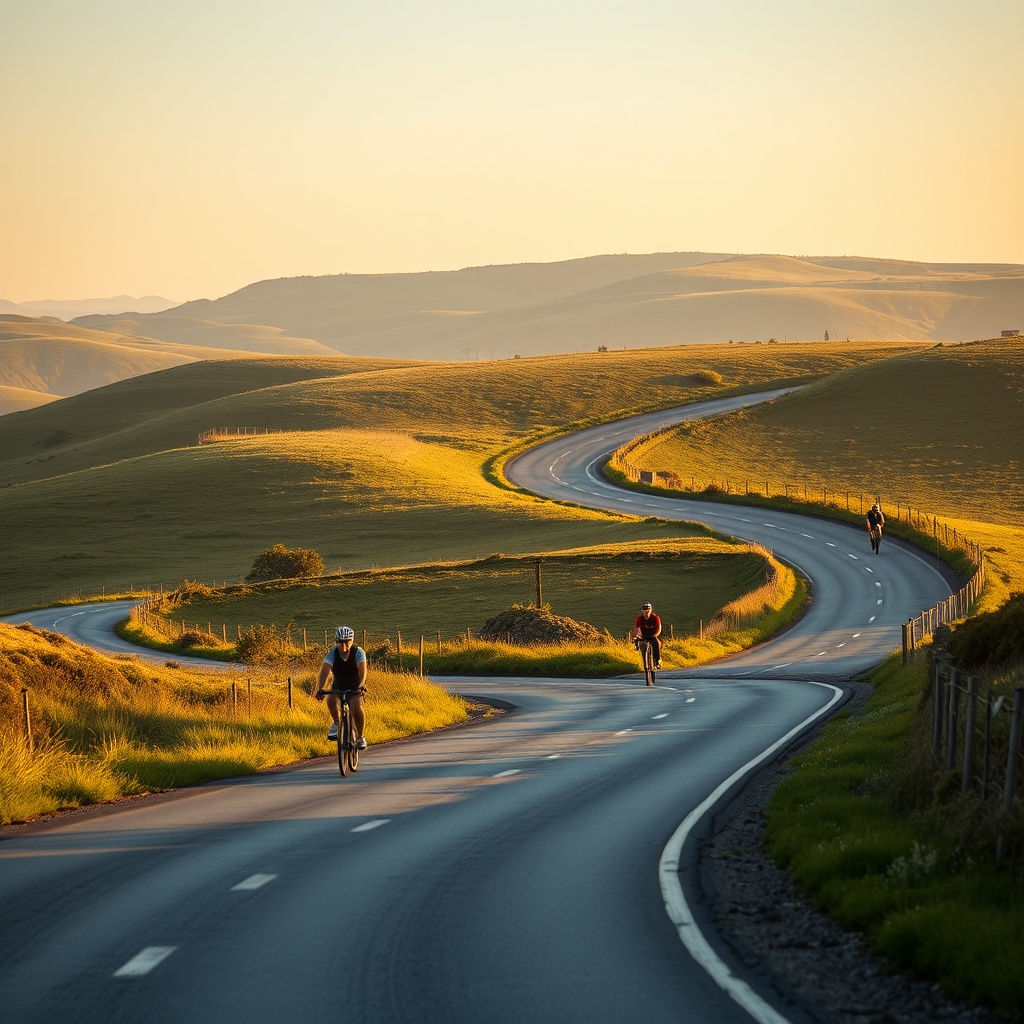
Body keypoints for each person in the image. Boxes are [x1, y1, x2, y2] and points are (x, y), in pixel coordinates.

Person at [316, 626, 368, 749]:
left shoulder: (358, 652)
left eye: (347, 642)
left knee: (357, 705)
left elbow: (363, 671)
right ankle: (336, 722)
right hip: (338, 686)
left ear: (351, 641)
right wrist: (320, 688)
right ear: (336, 641)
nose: (343, 645)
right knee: (331, 700)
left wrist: (362, 685)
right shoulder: (332, 653)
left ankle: (360, 737)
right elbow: (324, 671)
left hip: (355, 687)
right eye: (340, 642)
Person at [631, 602, 662, 670]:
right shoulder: (639, 618)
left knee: (657, 643)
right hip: (643, 635)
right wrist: (636, 636)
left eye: (648, 610)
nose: (646, 612)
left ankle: (657, 661)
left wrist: (655, 635)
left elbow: (659, 629)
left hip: (653, 634)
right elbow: (636, 629)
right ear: (642, 611)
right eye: (645, 610)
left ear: (651, 610)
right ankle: (644, 660)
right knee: (638, 642)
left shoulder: (655, 617)